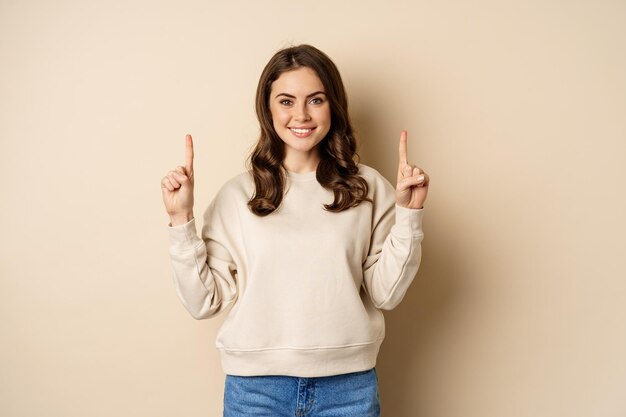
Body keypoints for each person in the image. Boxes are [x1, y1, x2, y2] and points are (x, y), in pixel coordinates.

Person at [160, 44, 430, 417]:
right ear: (267, 108)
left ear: (333, 105)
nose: (301, 114)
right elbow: (203, 302)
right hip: (256, 391)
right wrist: (181, 220)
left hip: (348, 389)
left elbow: (386, 293)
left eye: (315, 100)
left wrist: (409, 213)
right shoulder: (237, 195)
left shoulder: (368, 187)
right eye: (286, 101)